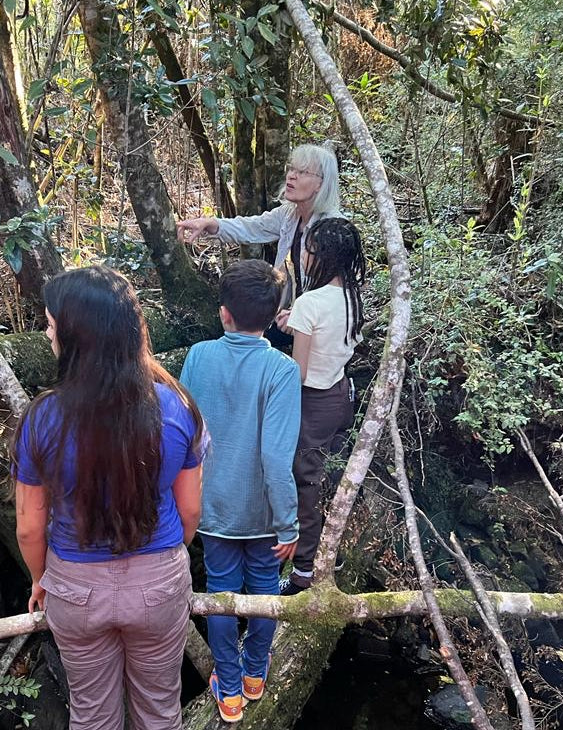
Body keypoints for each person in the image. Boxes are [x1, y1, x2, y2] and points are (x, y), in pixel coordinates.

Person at [11, 266, 205, 730]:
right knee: (160, 711)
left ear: (77, 336)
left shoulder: (42, 418)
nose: (47, 333)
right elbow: (190, 510)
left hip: (75, 588)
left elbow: (30, 527)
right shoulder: (176, 406)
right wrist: (165, 558)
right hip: (158, 583)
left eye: (51, 324)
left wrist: (41, 579)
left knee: (93, 715)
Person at [180, 259, 301, 723]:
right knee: (265, 587)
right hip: (263, 511)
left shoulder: (198, 356)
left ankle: (229, 690)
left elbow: (184, 433)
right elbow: (276, 457)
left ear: (224, 313)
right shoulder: (282, 370)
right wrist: (288, 522)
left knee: (222, 591)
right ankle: (254, 675)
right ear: (273, 317)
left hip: (210, 505)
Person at [176, 143, 344, 343]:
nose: (291, 176)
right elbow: (252, 227)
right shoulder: (290, 213)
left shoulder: (334, 229)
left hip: (321, 325)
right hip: (288, 314)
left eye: (302, 172)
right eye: (291, 169)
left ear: (321, 184)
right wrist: (210, 224)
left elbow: (338, 291)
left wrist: (302, 315)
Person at [278, 218, 365, 596]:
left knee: (307, 485)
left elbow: (298, 373)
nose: (303, 256)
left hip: (312, 403)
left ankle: (303, 573)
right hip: (341, 395)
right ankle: (335, 553)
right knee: (332, 479)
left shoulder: (310, 302)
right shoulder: (352, 296)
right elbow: (332, 342)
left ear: (321, 256)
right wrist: (296, 325)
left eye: (308, 250)